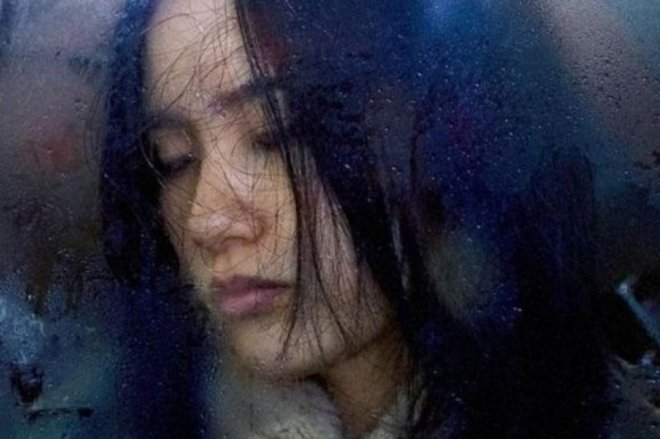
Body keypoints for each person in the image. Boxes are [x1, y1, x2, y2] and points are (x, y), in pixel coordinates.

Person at [102, 0, 624, 437]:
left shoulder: (594, 413)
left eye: (278, 133)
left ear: (424, 140)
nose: (206, 220)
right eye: (174, 159)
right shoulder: (151, 410)